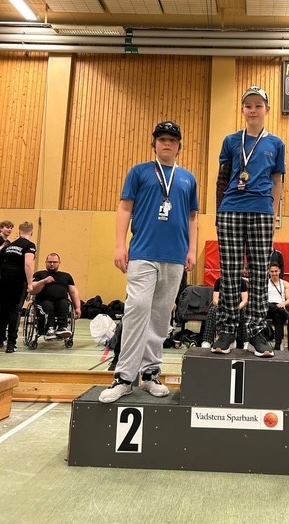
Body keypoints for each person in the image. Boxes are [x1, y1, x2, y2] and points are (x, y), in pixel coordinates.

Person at [99, 121, 198, 403]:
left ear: (179, 147)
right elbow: (124, 208)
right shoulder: (139, 172)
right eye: (162, 139)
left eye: (172, 140)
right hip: (142, 253)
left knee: (161, 316)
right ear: (154, 144)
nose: (167, 143)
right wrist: (120, 245)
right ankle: (124, 377)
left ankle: (151, 373)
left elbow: (192, 217)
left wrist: (192, 250)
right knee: (137, 309)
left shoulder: (188, 178)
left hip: (175, 257)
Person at [213, 85, 286, 357]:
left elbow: (277, 181)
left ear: (267, 110)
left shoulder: (276, 144)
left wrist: (273, 214)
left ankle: (256, 332)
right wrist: (219, 212)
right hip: (231, 209)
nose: (253, 110)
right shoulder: (231, 141)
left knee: (259, 273)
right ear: (243, 110)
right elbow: (222, 178)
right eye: (248, 106)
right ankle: (228, 330)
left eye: (258, 105)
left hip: (262, 211)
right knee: (230, 272)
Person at [0, 221, 36, 353]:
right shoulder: (29, 246)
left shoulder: (10, 245)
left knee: (3, 310)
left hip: (4, 279)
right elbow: (28, 264)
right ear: (31, 232)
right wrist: (30, 283)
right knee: (15, 310)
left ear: (19, 232)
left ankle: (0, 339)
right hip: (18, 281)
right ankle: (11, 343)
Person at [31, 253, 82, 339]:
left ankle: (62, 327)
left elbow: (74, 292)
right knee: (48, 306)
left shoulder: (66, 276)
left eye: (54, 262)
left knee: (64, 303)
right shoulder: (39, 274)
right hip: (43, 301)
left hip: (61, 301)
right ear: (46, 262)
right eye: (49, 262)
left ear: (59, 263)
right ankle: (49, 329)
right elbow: (33, 290)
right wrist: (43, 281)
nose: (52, 264)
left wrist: (78, 308)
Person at [202, 275, 248, 350]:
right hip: (222, 307)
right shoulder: (219, 281)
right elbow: (215, 300)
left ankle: (246, 342)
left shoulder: (242, 281)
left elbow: (245, 300)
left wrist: (236, 308)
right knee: (212, 310)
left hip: (237, 308)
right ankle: (207, 341)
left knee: (245, 312)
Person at [267, 262, 289, 350]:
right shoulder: (265, 283)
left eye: (276, 271)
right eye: (272, 271)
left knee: (278, 316)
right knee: (270, 306)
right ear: (269, 272)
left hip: (280, 306)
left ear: (279, 271)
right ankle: (282, 311)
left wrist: (284, 303)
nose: (274, 273)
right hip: (268, 307)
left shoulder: (285, 283)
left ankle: (278, 344)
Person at [0, 220, 14, 347]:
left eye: (11, 228)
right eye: (7, 227)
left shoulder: (10, 243)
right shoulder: (4, 243)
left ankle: (2, 335)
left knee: (5, 308)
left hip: (5, 277)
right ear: (1, 228)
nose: (9, 230)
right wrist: (3, 246)